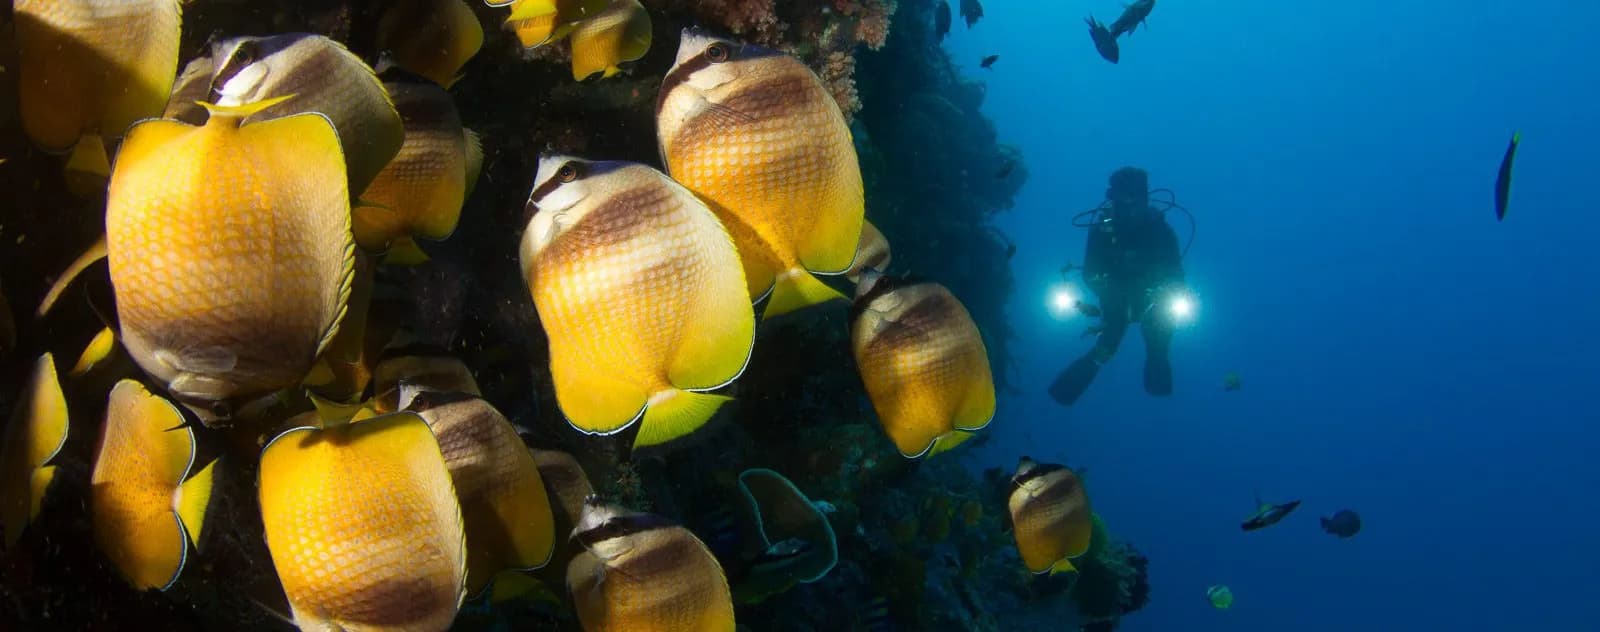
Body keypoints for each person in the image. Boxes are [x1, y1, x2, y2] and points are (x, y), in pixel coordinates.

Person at [1049, 166, 1186, 405]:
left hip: (1152, 299)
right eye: (1123, 197)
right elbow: (1090, 272)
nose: (1129, 205)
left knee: (1158, 343)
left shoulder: (1160, 230)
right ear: (1113, 197)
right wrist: (1110, 291)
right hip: (1115, 300)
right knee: (1106, 346)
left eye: (1135, 196)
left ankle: (1159, 387)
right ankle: (1064, 392)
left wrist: (1167, 292)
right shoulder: (1102, 230)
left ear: (1145, 197)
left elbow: (1176, 274)